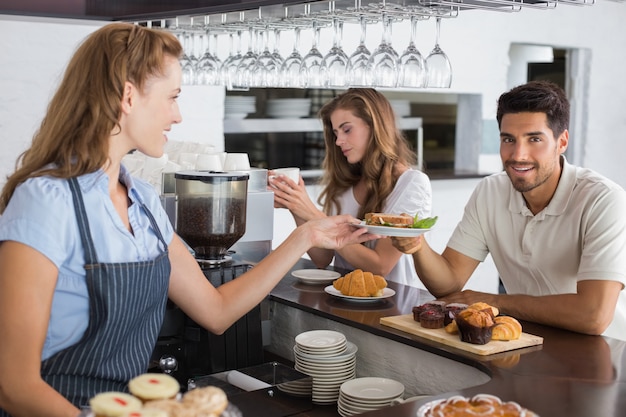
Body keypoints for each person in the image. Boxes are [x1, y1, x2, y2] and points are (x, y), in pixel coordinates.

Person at [0, 23, 379, 417]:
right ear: (129, 95)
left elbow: (216, 311)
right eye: (172, 97)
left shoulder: (143, 204)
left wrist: (304, 236)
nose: (178, 116)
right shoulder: (45, 203)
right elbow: (14, 386)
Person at [391, 80, 626, 341]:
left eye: (534, 139)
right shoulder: (490, 192)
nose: (518, 154)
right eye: (508, 139)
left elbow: (593, 315)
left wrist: (494, 301)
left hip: (606, 355)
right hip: (525, 342)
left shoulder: (604, 200)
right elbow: (449, 283)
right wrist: (417, 245)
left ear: (562, 142)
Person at [268, 88, 432, 287]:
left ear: (375, 126)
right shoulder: (345, 183)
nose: (338, 141)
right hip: (341, 300)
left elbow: (380, 266)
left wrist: (311, 213)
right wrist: (295, 205)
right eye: (336, 133)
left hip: (390, 307)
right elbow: (322, 258)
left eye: (347, 130)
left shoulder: (411, 184)